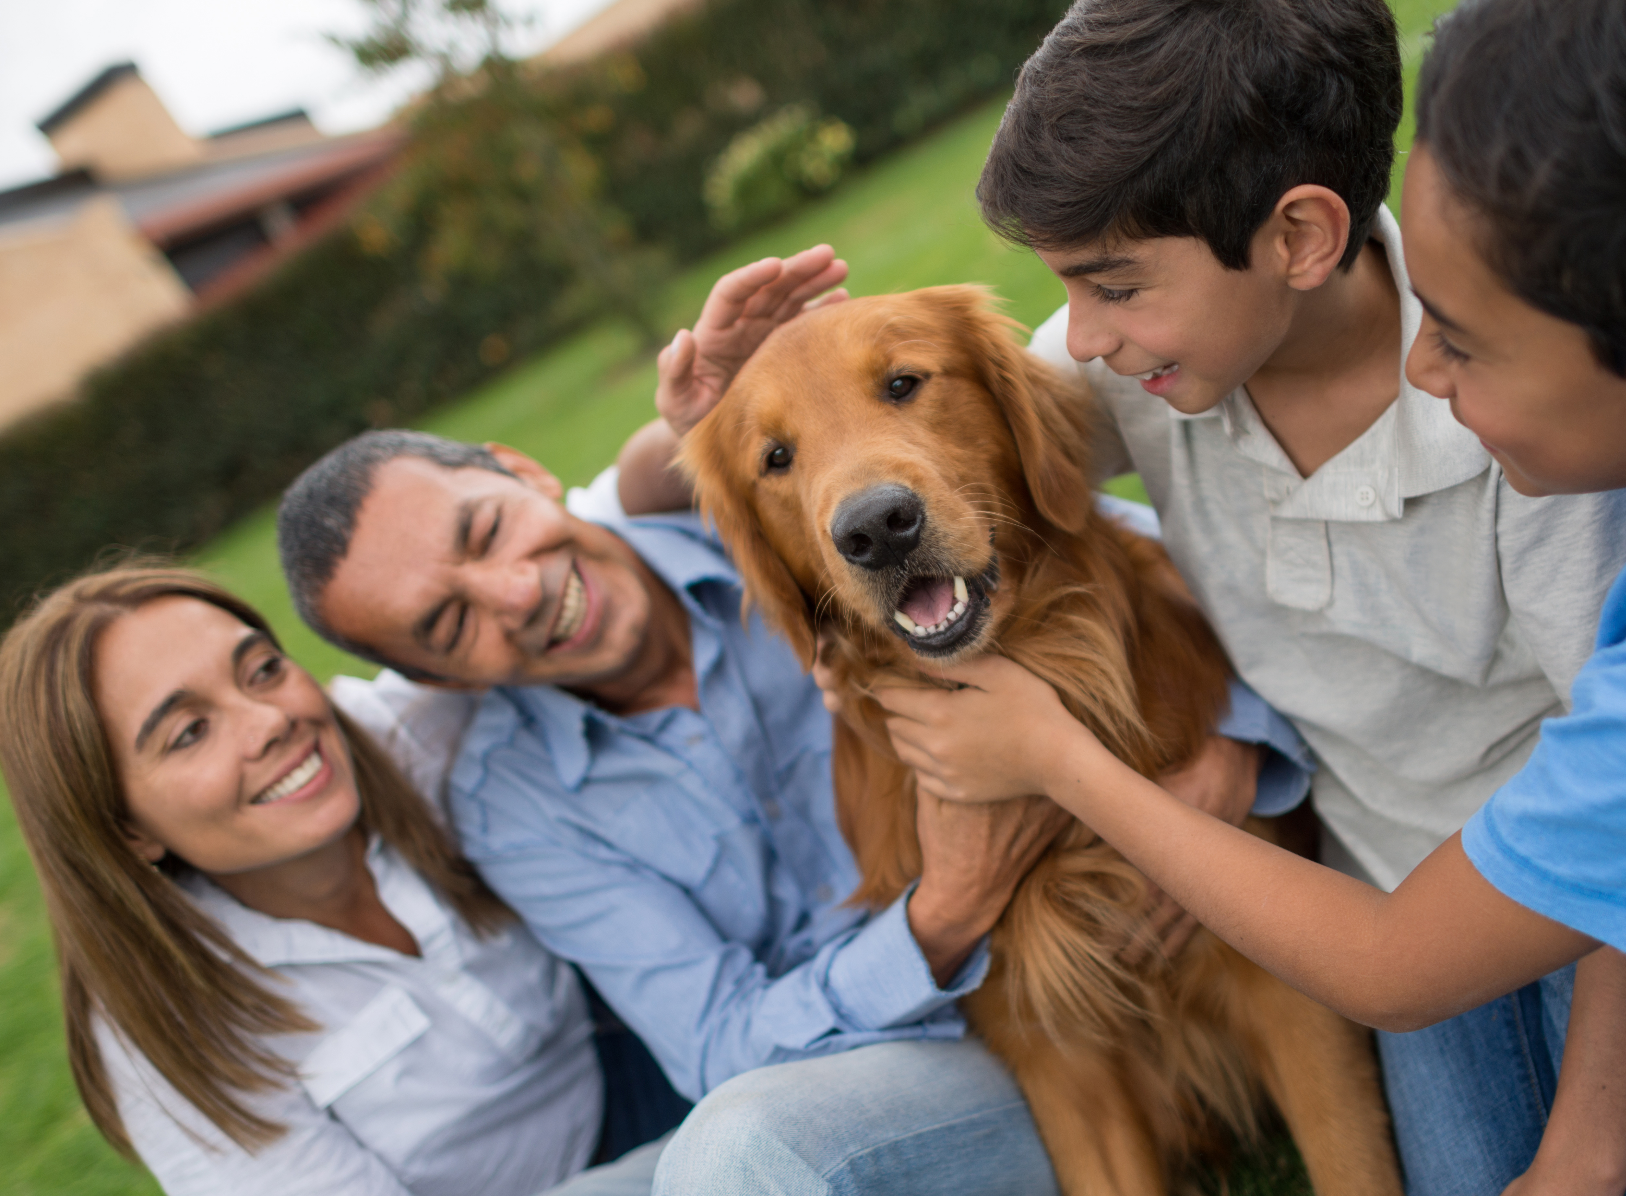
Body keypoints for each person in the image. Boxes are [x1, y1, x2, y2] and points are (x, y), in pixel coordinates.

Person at [879, 1, 1626, 1193]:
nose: (1425, 370)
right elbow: (945, 449)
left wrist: (1057, 759)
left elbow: (1404, 958)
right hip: (1440, 868)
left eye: (1462, 338)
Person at [274, 251, 1305, 1194]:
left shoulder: (798, 504)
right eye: (448, 623)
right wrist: (947, 905)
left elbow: (1082, 547)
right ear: (429, 680)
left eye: (487, 527)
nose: (514, 593)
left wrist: (1236, 745)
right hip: (897, 1063)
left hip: (1087, 980)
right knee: (713, 1157)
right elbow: (718, 1051)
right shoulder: (517, 804)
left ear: (523, 471)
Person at [0, 565, 664, 1196]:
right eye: (191, 732)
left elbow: (597, 534)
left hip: (638, 1049)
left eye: (262, 670)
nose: (272, 721)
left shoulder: (401, 737)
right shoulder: (166, 1026)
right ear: (127, 831)